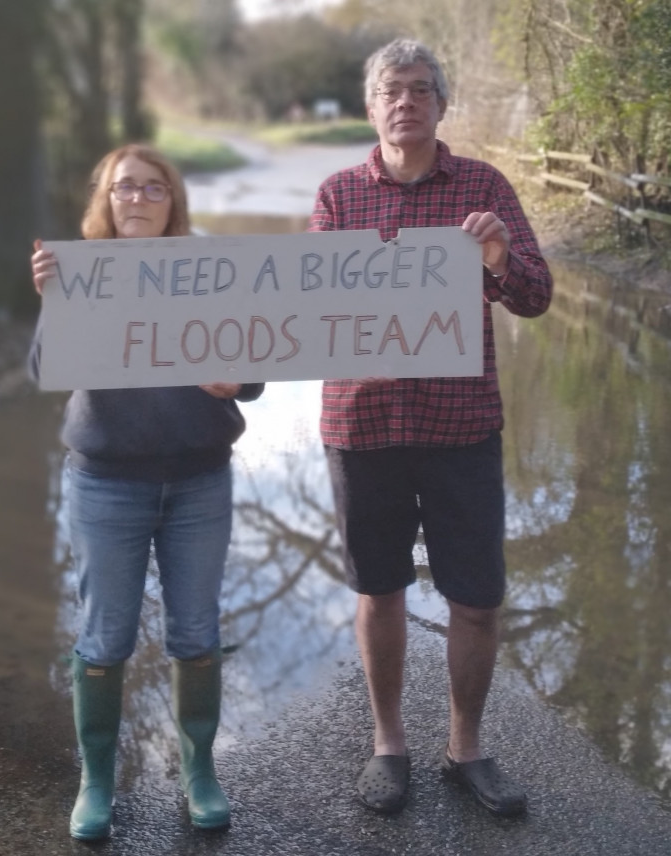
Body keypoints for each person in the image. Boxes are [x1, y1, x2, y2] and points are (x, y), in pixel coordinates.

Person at [309, 38, 553, 817]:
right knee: (379, 590)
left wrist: (497, 259)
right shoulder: (338, 194)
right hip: (364, 423)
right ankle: (389, 746)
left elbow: (536, 297)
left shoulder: (484, 186)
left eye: (420, 89)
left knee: (475, 597)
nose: (405, 101)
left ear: (442, 105)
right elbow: (297, 309)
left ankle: (466, 750)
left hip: (461, 424)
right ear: (372, 106)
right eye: (391, 90)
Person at [28, 143, 264, 839]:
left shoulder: (210, 269)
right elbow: (45, 368)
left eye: (152, 188)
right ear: (105, 199)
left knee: (196, 629)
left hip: (199, 480)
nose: (137, 198)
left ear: (173, 201)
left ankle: (199, 771)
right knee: (105, 636)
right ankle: (95, 779)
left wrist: (239, 379)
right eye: (124, 187)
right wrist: (50, 299)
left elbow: (254, 366)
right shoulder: (80, 271)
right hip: (107, 483)